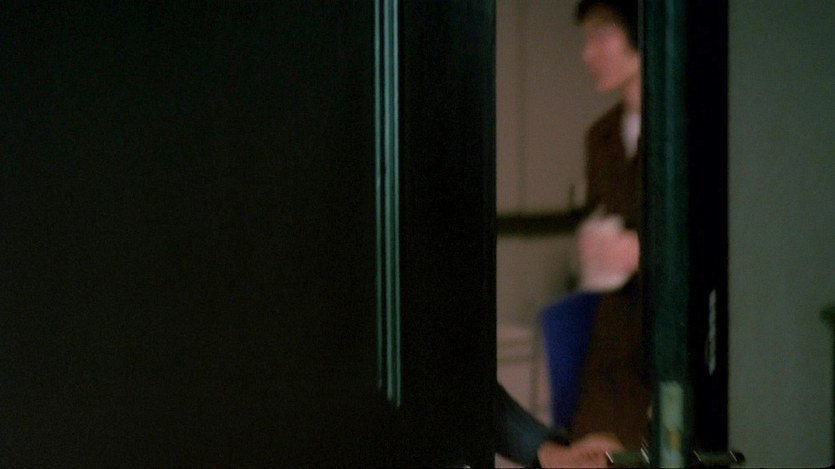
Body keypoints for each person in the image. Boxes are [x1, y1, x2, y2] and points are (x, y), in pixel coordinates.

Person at [540, 0, 651, 453]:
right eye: (587, 39)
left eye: (602, 35)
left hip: (665, 337)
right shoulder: (601, 135)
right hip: (612, 337)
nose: (588, 53)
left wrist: (642, 252)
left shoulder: (683, 129)